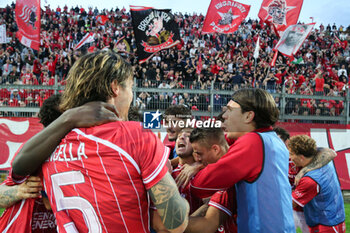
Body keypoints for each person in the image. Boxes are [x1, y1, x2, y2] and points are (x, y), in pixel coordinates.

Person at [12, 50, 189, 233]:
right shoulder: (135, 135)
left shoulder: (47, 146)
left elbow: (15, 174)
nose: (131, 96)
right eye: (130, 87)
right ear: (115, 87)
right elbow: (175, 223)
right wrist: (168, 183)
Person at [190, 88, 295, 233]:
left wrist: (196, 167)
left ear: (248, 116)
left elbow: (200, 185)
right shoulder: (273, 139)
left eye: (229, 110)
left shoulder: (252, 142)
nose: (224, 115)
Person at [274, 127, 337, 233]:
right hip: (290, 210)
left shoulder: (299, 153)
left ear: (287, 142)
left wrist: (305, 170)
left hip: (309, 211)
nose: (275, 145)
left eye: (278, 141)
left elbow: (331, 153)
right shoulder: (273, 158)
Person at [289, 135, 346, 233]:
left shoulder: (309, 180)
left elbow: (290, 203)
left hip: (326, 224)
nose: (290, 157)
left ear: (301, 157)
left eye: (291, 154)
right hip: (333, 218)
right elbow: (330, 152)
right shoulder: (323, 160)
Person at [185, 127, 237, 233]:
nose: (198, 159)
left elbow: (207, 225)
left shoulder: (225, 179)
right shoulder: (237, 154)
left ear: (215, 149)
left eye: (199, 154)